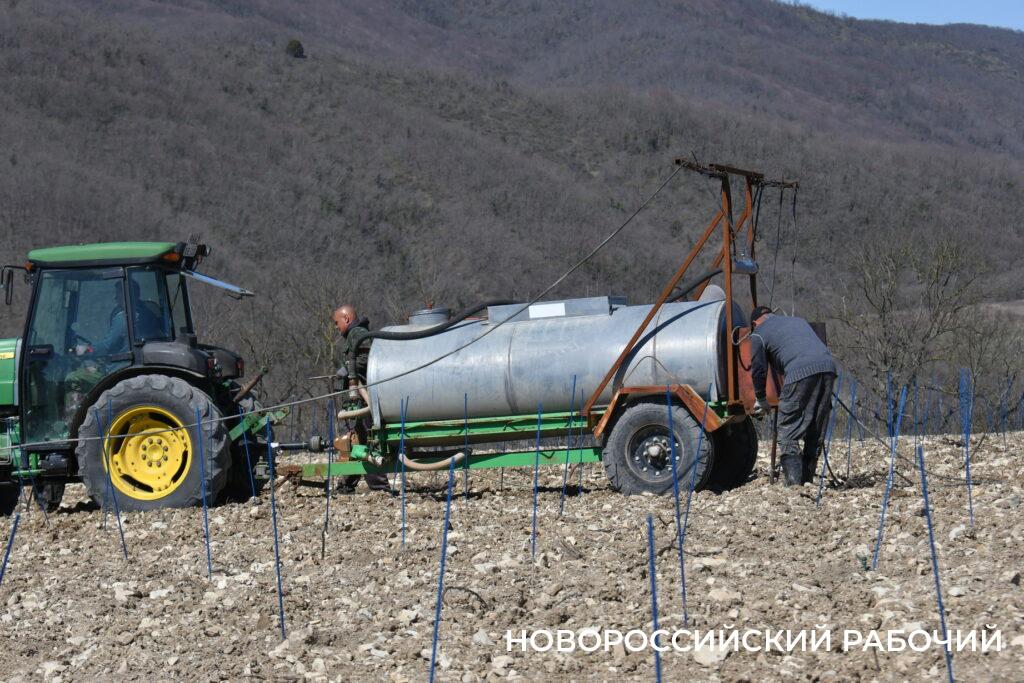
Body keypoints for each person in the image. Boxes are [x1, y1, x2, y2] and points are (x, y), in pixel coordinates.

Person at [749, 306, 837, 487]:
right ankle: (807, 481)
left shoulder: (758, 333)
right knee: (815, 429)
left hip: (799, 371)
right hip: (828, 367)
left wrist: (761, 398)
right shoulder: (797, 320)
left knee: (787, 430)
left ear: (754, 323)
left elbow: (758, 369)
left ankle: (794, 485)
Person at [332, 304, 391, 493]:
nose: (336, 327)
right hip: (362, 396)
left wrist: (347, 368)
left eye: (337, 323)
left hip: (366, 397)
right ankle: (348, 483)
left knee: (366, 440)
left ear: (346, 318)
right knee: (357, 439)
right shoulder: (356, 333)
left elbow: (367, 359)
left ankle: (379, 487)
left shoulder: (357, 333)